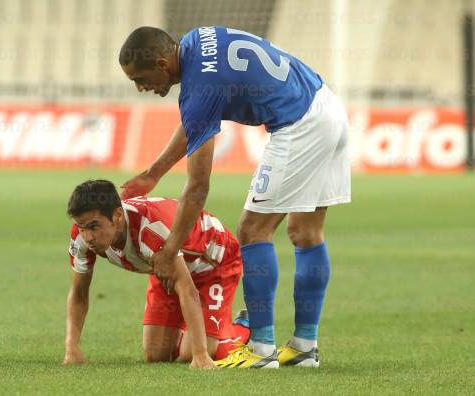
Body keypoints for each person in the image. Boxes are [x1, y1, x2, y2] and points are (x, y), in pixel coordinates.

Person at [118, 26, 350, 368]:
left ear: (164, 64)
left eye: (140, 78)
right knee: (306, 233)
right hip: (328, 108)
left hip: (298, 124)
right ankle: (304, 346)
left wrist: (170, 250)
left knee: (252, 231)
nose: (141, 88)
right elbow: (197, 119)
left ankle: (260, 349)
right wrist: (153, 173)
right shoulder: (198, 39)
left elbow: (197, 187)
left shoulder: (199, 89)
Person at [63, 180, 261, 369]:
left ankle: (243, 325)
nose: (87, 237)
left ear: (117, 215)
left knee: (191, 353)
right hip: (164, 267)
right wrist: (72, 348)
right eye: (81, 227)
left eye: (93, 227)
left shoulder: (151, 231)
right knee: (155, 354)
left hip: (214, 263)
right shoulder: (82, 236)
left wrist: (200, 355)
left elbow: (187, 289)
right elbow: (80, 293)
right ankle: (202, 331)